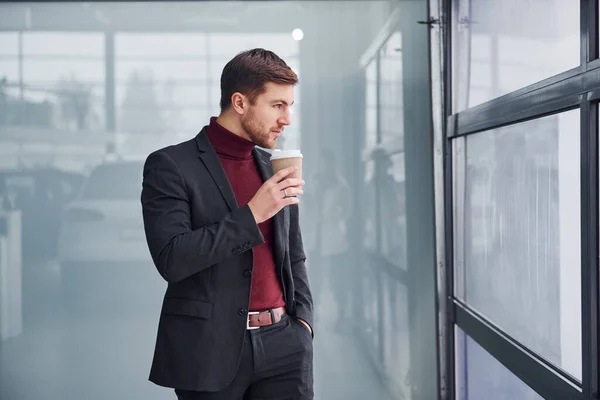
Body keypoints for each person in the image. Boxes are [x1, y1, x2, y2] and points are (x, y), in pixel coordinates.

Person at [140, 48, 314, 400]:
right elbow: (173, 259)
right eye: (277, 105)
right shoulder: (170, 166)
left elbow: (293, 255)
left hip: (285, 347)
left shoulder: (273, 166)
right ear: (239, 102)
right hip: (208, 350)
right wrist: (252, 214)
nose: (287, 119)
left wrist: (304, 325)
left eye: (289, 106)